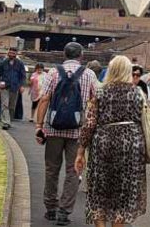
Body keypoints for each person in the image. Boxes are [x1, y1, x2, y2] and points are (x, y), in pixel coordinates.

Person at [75, 55, 147, 226]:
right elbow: (144, 121)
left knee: (99, 192)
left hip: (103, 144)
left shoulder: (100, 91)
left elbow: (90, 123)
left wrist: (80, 151)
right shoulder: (138, 93)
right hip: (131, 146)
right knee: (124, 195)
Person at [35, 42, 98, 226]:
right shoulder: (89, 74)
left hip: (54, 128)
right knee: (74, 170)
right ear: (81, 55)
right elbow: (95, 102)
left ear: (64, 54)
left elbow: (44, 98)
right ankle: (64, 210)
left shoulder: (53, 73)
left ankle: (51, 207)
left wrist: (39, 125)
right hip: (78, 130)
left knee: (51, 168)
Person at [0, 47, 26, 130]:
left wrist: (22, 85)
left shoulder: (20, 64)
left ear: (16, 54)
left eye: (13, 53)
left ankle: (9, 121)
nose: (11, 54)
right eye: (10, 53)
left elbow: (23, 76)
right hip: (5, 87)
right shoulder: (3, 62)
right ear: (8, 53)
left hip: (15, 87)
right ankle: (5, 122)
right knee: (4, 104)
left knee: (12, 106)